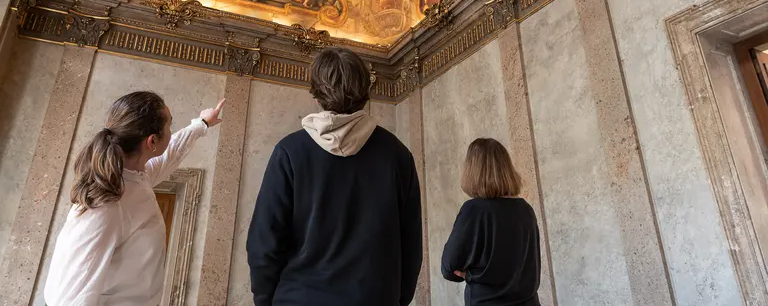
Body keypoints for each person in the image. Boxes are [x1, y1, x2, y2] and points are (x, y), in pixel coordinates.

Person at [247, 48, 423, 306]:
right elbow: (411, 246)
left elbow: (264, 244)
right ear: (365, 93)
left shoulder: (289, 152)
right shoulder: (398, 156)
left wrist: (265, 300)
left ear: (316, 95)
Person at [44, 92, 226, 306]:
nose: (171, 131)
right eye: (169, 125)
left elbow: (172, 152)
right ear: (152, 141)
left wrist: (202, 123)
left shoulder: (136, 176)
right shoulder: (108, 203)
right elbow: (66, 298)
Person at [441, 138, 541, 306]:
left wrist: (471, 275)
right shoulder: (526, 210)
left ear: (472, 170)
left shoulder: (474, 210)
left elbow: (449, 266)